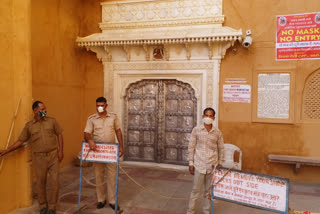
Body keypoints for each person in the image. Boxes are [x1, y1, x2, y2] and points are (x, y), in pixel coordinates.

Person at [0, 101, 64, 214]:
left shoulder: (52, 121)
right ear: (35, 111)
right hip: (39, 158)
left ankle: (52, 207)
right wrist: (7, 150)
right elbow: (20, 140)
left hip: (53, 156)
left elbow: (59, 134)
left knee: (55, 182)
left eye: (45, 109)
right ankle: (43, 206)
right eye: (42, 109)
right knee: (40, 182)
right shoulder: (29, 126)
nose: (45, 111)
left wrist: (61, 151)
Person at [84, 97, 124, 211]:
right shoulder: (91, 119)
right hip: (97, 152)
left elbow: (118, 131)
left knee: (112, 176)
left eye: (101, 105)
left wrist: (121, 146)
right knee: (99, 175)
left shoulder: (113, 117)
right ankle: (101, 199)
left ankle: (112, 201)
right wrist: (90, 140)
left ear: (106, 105)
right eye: (97, 105)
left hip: (111, 151)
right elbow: (86, 133)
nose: (99, 107)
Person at [187, 107, 225, 214]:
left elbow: (221, 148)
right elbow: (191, 146)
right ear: (203, 116)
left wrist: (220, 162)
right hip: (199, 165)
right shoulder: (196, 130)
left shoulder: (217, 132)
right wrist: (191, 163)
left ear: (214, 117)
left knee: (208, 191)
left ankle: (206, 211)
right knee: (195, 191)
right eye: (206, 115)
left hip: (212, 166)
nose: (208, 118)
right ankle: (190, 211)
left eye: (210, 116)